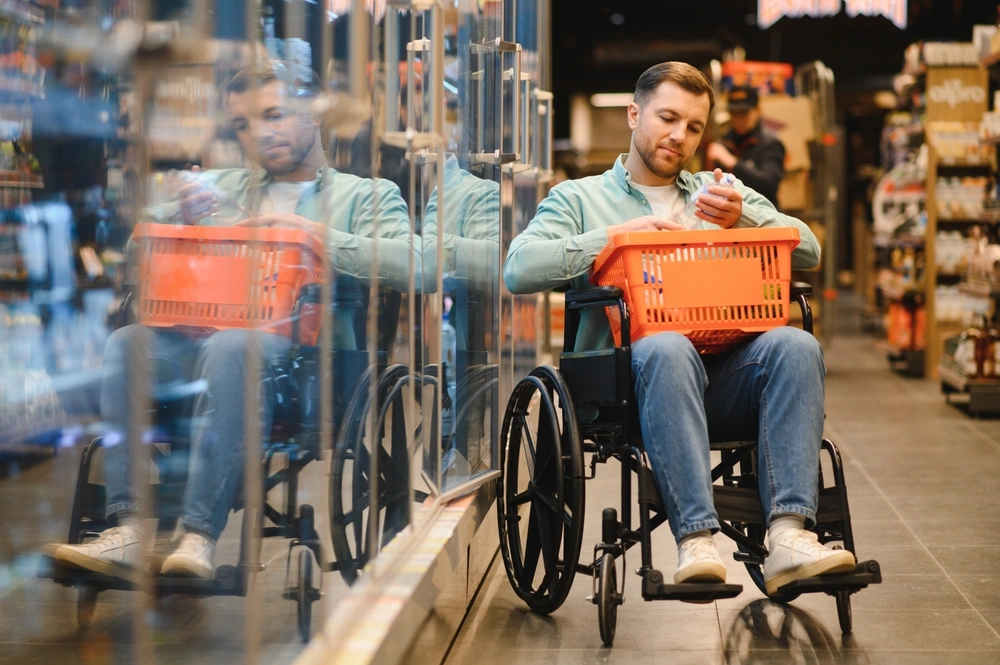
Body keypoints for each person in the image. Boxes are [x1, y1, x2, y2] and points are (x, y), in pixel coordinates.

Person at [51, 61, 417, 580]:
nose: (260, 133)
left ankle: (198, 534)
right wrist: (180, 211)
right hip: (197, 344)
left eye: (274, 115)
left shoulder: (367, 195)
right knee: (128, 342)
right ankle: (128, 527)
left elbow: (407, 262)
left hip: (306, 364)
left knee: (233, 347)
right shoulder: (223, 185)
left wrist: (312, 233)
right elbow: (139, 239)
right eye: (243, 125)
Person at [503, 62, 855, 595]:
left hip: (726, 380)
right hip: (631, 390)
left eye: (694, 126)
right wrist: (614, 236)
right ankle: (696, 536)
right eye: (668, 118)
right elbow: (518, 269)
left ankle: (788, 534)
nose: (679, 136)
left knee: (796, 344)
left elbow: (808, 247)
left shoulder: (719, 193)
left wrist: (745, 219)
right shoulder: (579, 199)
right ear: (634, 113)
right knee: (665, 346)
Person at [706, 85, 785, 207]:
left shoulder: (770, 143)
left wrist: (733, 163)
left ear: (757, 110)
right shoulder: (724, 141)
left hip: (762, 214)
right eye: (734, 113)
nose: (738, 119)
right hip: (727, 214)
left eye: (743, 113)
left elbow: (769, 185)